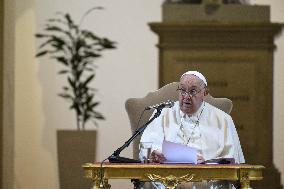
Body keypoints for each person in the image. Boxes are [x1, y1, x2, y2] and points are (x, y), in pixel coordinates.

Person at [139, 71, 245, 189]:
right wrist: (156, 153)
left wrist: (206, 163)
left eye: (193, 91)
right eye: (182, 90)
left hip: (206, 178)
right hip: (167, 176)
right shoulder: (163, 113)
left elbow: (232, 162)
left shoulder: (222, 119)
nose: (186, 96)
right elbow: (148, 147)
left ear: (205, 93)